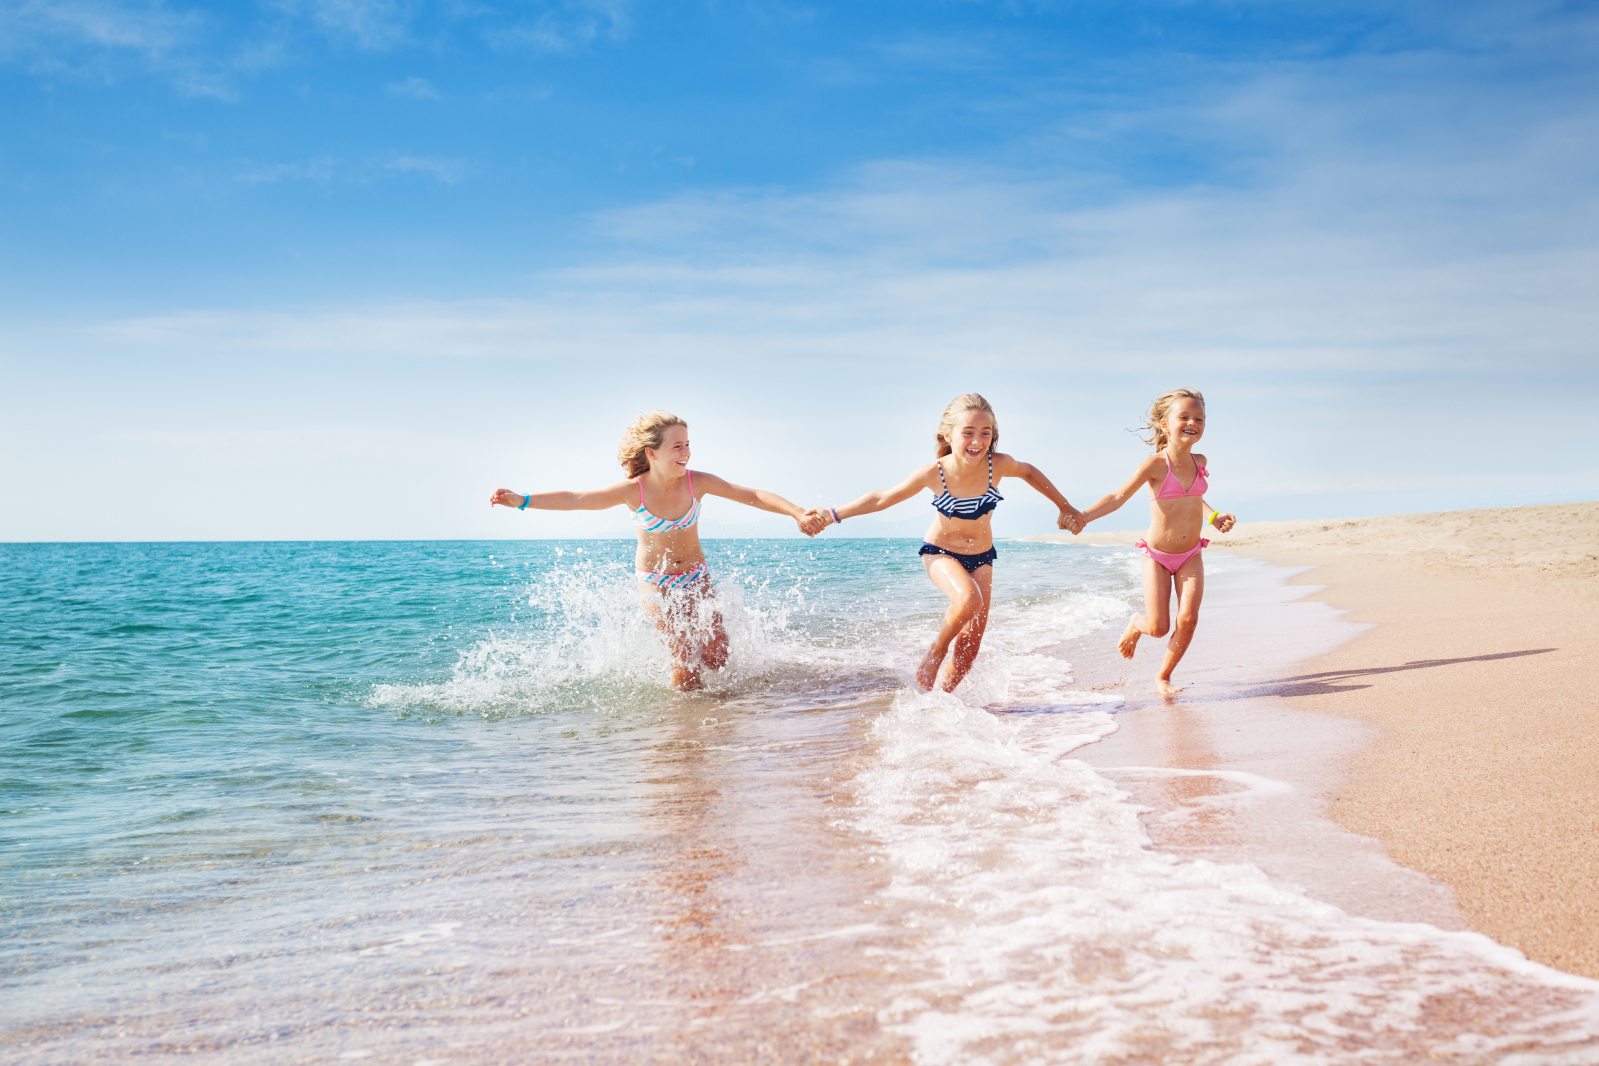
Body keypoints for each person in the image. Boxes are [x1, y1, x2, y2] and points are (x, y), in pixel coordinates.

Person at [489, 410, 815, 690]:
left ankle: (720, 715)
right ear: (652, 453)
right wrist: (523, 501)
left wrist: (797, 512)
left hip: (695, 576)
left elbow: (754, 496)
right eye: (677, 446)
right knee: (685, 658)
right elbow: (575, 499)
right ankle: (682, 730)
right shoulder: (634, 491)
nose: (686, 451)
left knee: (719, 652)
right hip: (655, 583)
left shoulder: (696, 482)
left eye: (688, 444)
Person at [808, 393, 1084, 692]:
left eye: (985, 433)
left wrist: (1065, 506)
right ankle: (936, 649)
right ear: (947, 435)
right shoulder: (935, 472)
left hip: (982, 556)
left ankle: (938, 705)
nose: (977, 441)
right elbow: (883, 498)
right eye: (968, 432)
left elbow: (1029, 471)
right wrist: (832, 514)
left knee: (969, 648)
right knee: (969, 600)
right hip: (940, 553)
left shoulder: (998, 465)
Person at [1078, 388, 1236, 695]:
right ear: (1165, 424)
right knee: (1159, 627)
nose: (1193, 422)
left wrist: (1213, 516)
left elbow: (1195, 497)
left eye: (1199, 418)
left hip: (1191, 553)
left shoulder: (1199, 460)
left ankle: (1163, 676)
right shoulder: (1155, 465)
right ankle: (1137, 623)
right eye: (1185, 417)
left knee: (1188, 618)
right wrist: (1083, 517)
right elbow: (1117, 497)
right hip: (1158, 556)